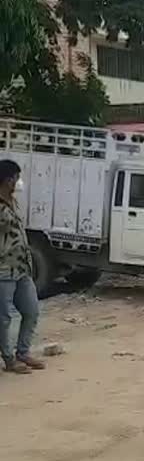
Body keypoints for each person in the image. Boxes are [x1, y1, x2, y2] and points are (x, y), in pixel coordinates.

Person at [0, 160, 45, 374]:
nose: (18, 182)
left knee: (31, 311)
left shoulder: (12, 202)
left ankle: (23, 352)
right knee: (4, 318)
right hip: (3, 270)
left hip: (21, 269)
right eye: (16, 177)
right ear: (7, 180)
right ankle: (9, 360)